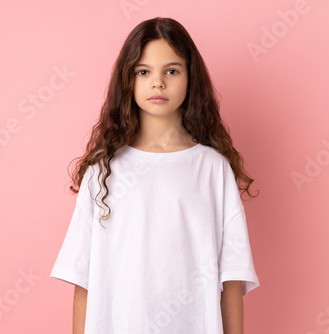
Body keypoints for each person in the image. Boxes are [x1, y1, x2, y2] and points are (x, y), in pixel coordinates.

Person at [50, 17, 260, 334]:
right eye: (143, 71)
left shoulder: (212, 169)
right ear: (128, 80)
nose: (157, 83)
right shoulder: (103, 170)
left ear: (191, 78)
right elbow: (84, 277)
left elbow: (230, 276)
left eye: (171, 71)